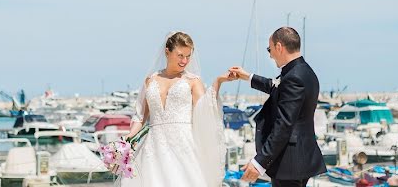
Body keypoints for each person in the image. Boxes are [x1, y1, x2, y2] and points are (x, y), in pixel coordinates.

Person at [122, 31, 233, 187]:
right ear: (167, 52)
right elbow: (140, 116)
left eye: (188, 56)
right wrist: (128, 137)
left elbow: (204, 110)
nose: (185, 61)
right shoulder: (150, 80)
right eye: (180, 55)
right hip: (153, 149)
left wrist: (218, 82)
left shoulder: (193, 81)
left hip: (183, 146)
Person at [229, 27, 326, 187]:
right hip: (300, 159)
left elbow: (284, 125)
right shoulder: (303, 71)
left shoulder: (293, 77)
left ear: (279, 47)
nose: (270, 54)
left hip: (290, 162)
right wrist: (247, 77)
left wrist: (259, 162)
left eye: (270, 49)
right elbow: (276, 88)